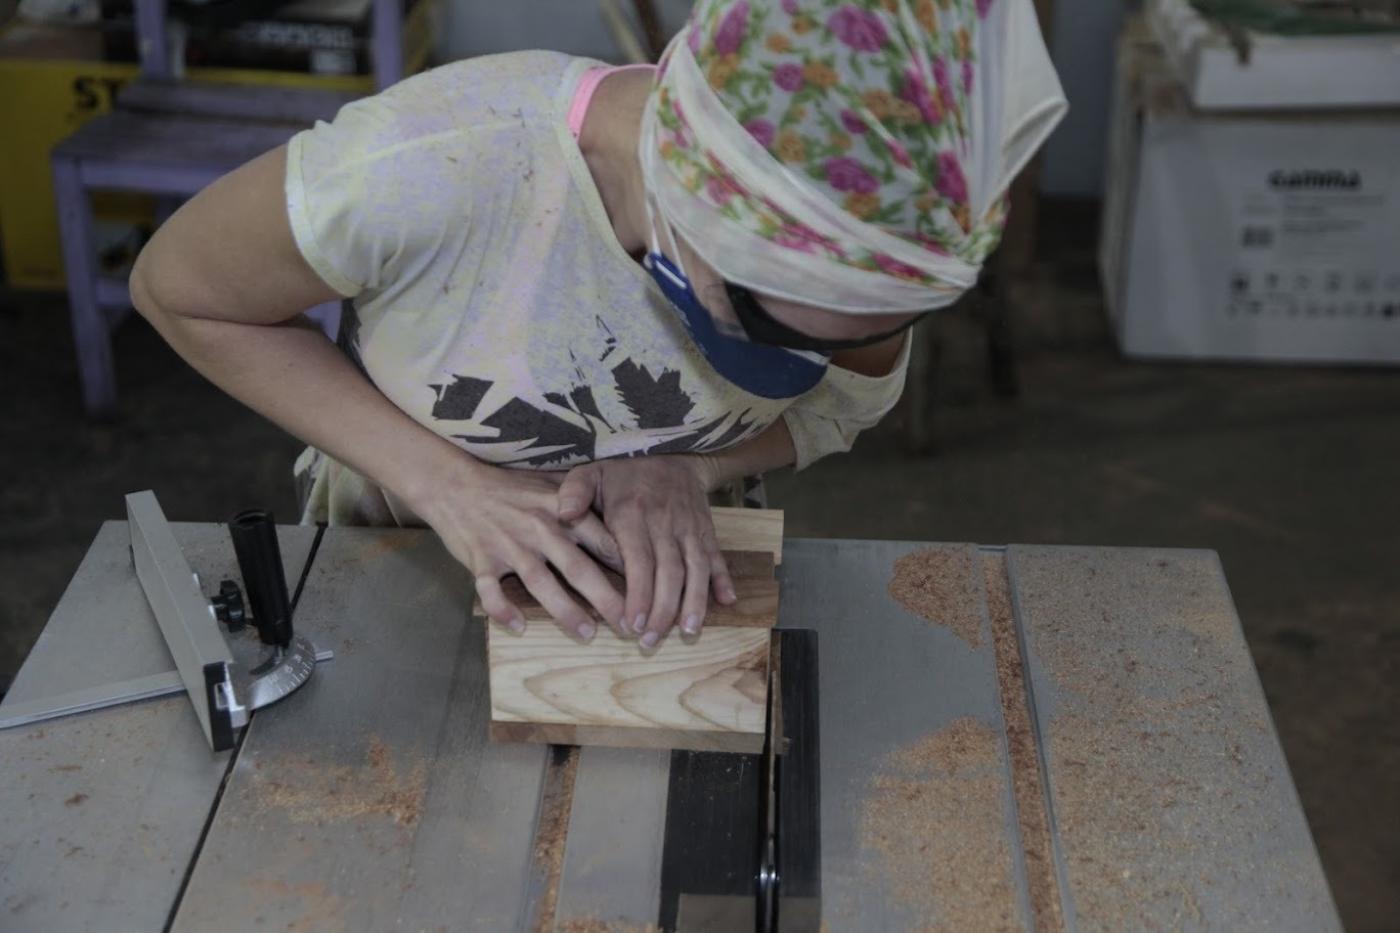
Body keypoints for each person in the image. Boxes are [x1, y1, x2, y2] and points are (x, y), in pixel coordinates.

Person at [130, 0, 1065, 648]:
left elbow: (847, 401)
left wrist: (687, 466)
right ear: (685, 211)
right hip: (399, 544)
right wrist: (447, 483)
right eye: (776, 330)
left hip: (677, 556)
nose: (825, 356)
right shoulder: (426, 171)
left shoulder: (873, 224)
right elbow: (180, 288)